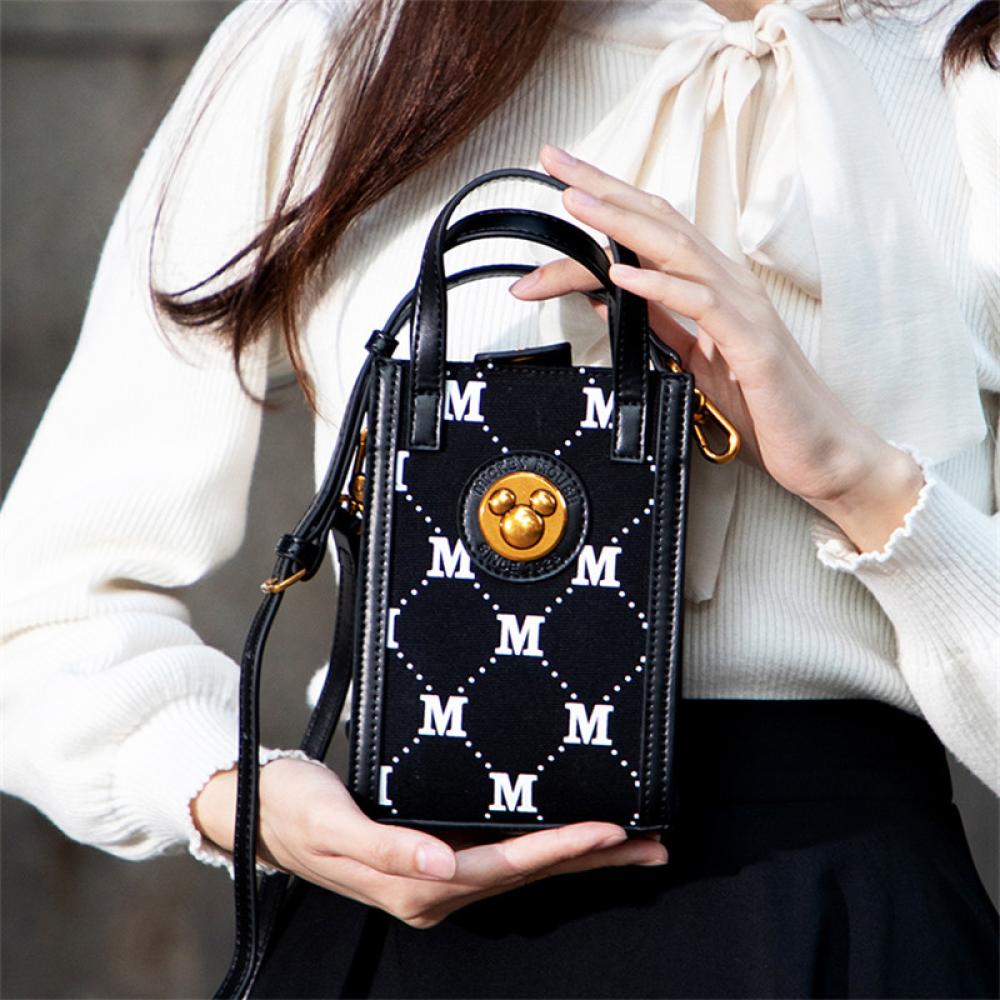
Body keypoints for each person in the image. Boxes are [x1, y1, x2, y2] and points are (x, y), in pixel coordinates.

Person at [2, 0, 997, 996]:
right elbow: (42, 606)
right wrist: (245, 799)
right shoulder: (343, 37)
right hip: (409, 900)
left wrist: (860, 481)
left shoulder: (968, 71)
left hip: (845, 920)